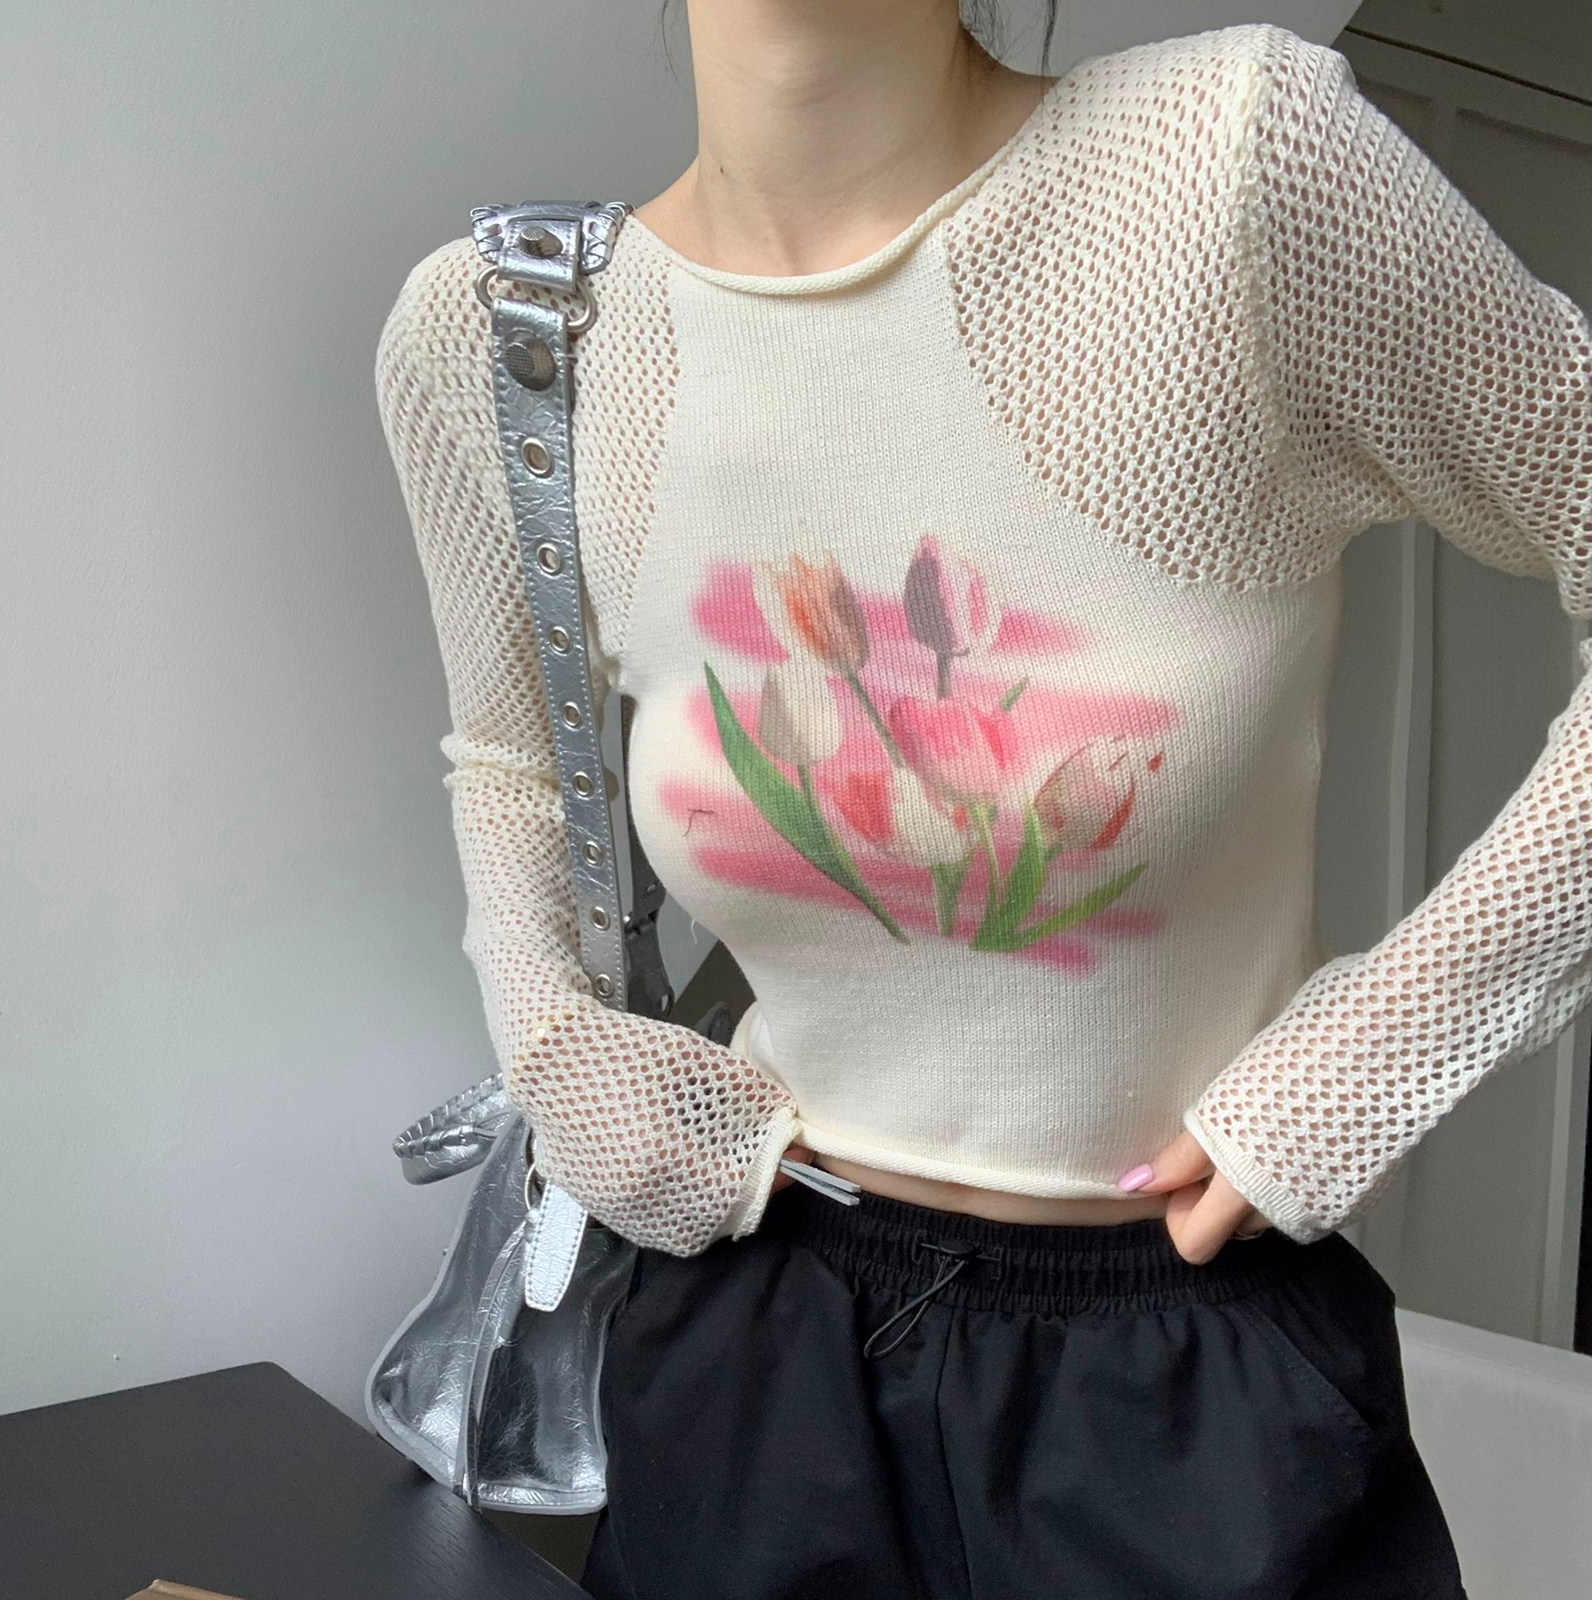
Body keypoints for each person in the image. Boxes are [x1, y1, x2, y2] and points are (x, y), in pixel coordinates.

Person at [375, 3, 1592, 1595]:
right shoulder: (509, 337)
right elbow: (513, 762)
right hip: (752, 1360)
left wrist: (1375, 1052)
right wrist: (550, 1038)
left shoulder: (1230, 170)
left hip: (1188, 1388)